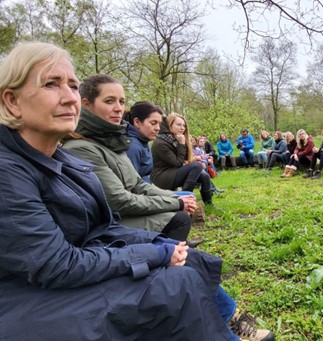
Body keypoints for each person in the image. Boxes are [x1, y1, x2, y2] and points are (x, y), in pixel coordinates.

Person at [0, 41, 274, 341]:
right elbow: (58, 262)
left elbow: (105, 221)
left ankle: (227, 322)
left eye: (73, 85)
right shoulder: (13, 169)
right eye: (51, 84)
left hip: (78, 264)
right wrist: (155, 248)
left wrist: (159, 243)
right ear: (12, 101)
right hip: (31, 297)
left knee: (187, 257)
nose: (69, 97)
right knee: (174, 280)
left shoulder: (59, 157)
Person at [62, 76, 198, 243]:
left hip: (134, 202)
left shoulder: (113, 142)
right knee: (180, 217)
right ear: (86, 104)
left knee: (191, 186)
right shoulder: (81, 148)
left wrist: (175, 197)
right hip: (106, 224)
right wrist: (176, 202)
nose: (119, 108)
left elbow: (138, 184)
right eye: (109, 101)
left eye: (121, 102)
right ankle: (168, 256)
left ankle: (175, 251)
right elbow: (120, 200)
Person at [151, 113, 214, 205]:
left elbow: (186, 158)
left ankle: (209, 204)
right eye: (179, 125)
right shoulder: (161, 143)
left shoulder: (174, 139)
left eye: (184, 125)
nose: (182, 128)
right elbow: (178, 162)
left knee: (204, 176)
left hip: (173, 172)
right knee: (197, 166)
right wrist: (181, 144)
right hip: (161, 177)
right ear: (170, 125)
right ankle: (184, 200)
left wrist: (184, 143)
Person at [124, 100, 163, 183]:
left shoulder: (143, 142)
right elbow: (131, 183)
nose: (158, 128)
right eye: (153, 123)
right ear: (137, 122)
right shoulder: (132, 147)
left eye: (159, 124)